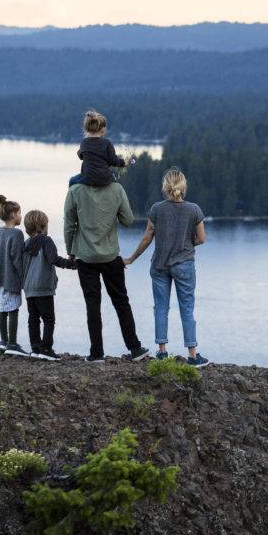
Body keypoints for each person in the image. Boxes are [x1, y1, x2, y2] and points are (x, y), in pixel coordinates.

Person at [124, 167, 210, 368]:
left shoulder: (156, 209)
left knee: (160, 308)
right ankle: (192, 355)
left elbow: (147, 237)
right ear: (183, 186)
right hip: (184, 265)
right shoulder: (194, 209)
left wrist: (131, 259)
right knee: (186, 310)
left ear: (166, 187)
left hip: (160, 265)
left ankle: (162, 352)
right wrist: (186, 244)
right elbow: (202, 239)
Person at [64, 177, 149, 363]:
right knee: (121, 301)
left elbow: (69, 225)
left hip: (85, 257)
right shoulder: (116, 188)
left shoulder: (74, 190)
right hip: (111, 255)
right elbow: (128, 220)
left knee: (92, 305)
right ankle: (135, 348)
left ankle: (96, 354)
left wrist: (70, 251)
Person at [21, 209, 77, 360]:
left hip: (29, 287)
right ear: (43, 226)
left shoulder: (26, 244)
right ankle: (46, 349)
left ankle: (35, 348)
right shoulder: (46, 241)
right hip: (43, 287)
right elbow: (53, 259)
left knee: (33, 319)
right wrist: (71, 264)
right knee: (48, 319)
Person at [0, 194, 27, 357]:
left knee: (3, 309)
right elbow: (18, 259)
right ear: (13, 215)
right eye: (19, 213)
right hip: (11, 278)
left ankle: (3, 341)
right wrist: (23, 278)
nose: (21, 216)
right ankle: (12, 343)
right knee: (13, 309)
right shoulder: (17, 234)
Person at [69, 109, 127, 187]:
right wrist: (123, 162)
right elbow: (114, 161)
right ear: (102, 129)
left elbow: (81, 156)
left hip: (88, 179)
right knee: (114, 180)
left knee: (72, 180)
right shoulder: (107, 143)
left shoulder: (84, 142)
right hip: (105, 179)